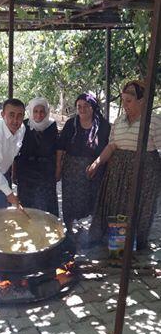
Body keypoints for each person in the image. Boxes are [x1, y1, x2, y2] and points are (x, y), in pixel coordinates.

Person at [87, 80, 161, 249]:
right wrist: (97, 163)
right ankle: (119, 248)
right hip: (118, 172)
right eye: (123, 100)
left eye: (129, 101)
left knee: (138, 209)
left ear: (142, 101)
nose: (125, 104)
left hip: (143, 173)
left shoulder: (154, 121)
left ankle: (134, 248)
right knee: (117, 207)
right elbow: (112, 145)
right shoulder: (119, 121)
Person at [56, 92, 110, 233]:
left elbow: (108, 148)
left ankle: (94, 232)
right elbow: (61, 147)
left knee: (94, 198)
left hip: (95, 170)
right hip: (71, 170)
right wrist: (58, 168)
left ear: (93, 107)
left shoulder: (103, 126)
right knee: (70, 199)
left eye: (86, 105)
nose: (82, 109)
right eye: (79, 106)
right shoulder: (70, 124)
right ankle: (68, 228)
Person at [14, 97, 59, 216]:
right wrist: (14, 172)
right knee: (27, 205)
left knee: (46, 205)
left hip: (46, 173)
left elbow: (58, 150)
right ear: (31, 111)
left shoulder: (52, 126)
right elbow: (15, 150)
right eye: (35, 111)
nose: (39, 115)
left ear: (46, 112)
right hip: (26, 173)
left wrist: (58, 170)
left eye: (42, 111)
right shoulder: (23, 126)